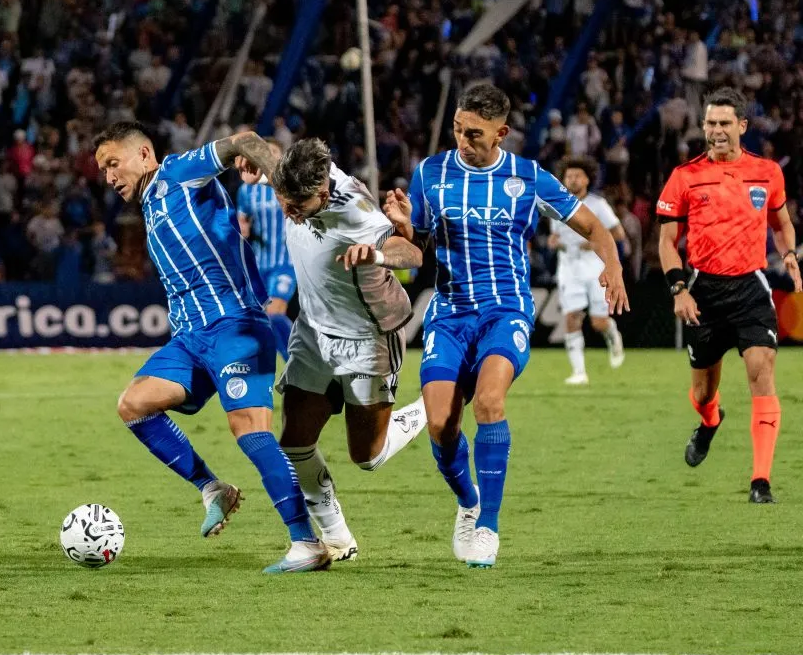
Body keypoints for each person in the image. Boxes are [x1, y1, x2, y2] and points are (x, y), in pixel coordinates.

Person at [383, 84, 629, 568]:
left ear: (502, 132)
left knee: (490, 403)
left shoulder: (527, 177)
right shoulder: (431, 173)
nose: (462, 140)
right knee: (440, 424)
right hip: (450, 311)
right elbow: (417, 249)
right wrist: (403, 227)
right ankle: (468, 502)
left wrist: (613, 266)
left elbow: (594, 227)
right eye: (457, 129)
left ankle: (489, 526)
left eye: (473, 133)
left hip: (506, 310)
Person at [93, 121, 329, 573]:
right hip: (190, 339)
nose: (108, 176)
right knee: (134, 403)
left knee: (249, 430)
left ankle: (307, 542)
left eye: (113, 163)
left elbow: (242, 141)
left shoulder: (178, 173)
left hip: (235, 324)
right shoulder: (151, 205)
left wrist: (285, 184)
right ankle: (211, 487)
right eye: (103, 169)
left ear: (144, 155)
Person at [236, 137, 428, 562]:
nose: (288, 213)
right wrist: (251, 162)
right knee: (295, 440)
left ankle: (428, 408)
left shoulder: (356, 211)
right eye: (283, 202)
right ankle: (338, 539)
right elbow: (259, 146)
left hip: (368, 339)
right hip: (313, 332)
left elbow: (411, 252)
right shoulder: (294, 176)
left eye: (297, 207)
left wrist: (376, 252)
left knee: (367, 456)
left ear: (322, 194)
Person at [656, 87, 801, 504]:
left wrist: (788, 253)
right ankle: (710, 421)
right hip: (704, 290)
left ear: (742, 126)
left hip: (751, 288)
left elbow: (781, 223)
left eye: (724, 123)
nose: (716, 130)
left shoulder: (768, 172)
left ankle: (760, 482)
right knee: (703, 392)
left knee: (762, 370)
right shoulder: (685, 176)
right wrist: (679, 289)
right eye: (710, 123)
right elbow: (667, 242)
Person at [548, 157, 628, 384]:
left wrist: (596, 242)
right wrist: (554, 241)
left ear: (587, 179)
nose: (572, 180)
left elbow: (619, 233)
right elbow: (557, 234)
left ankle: (612, 334)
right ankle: (579, 372)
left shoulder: (598, 204)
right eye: (569, 176)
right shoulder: (556, 203)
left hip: (594, 266)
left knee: (598, 322)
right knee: (572, 317)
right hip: (568, 266)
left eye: (577, 176)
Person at [237, 139, 295, 361]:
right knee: (262, 321)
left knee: (275, 314)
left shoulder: (290, 186)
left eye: (273, 153)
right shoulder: (247, 190)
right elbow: (242, 224)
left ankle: (296, 363)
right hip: (259, 265)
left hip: (285, 262)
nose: (268, 157)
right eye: (264, 153)